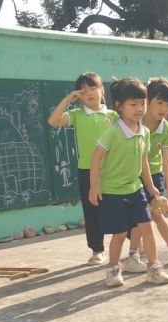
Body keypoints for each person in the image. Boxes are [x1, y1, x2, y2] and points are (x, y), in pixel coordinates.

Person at [89, 77, 168, 287]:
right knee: (120, 233)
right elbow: (96, 157)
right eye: (133, 104)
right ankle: (114, 270)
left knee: (146, 227)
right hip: (112, 191)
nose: (139, 109)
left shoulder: (144, 132)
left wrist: (151, 187)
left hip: (135, 190)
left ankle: (154, 268)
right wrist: (94, 186)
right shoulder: (113, 131)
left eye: (142, 103)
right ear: (119, 106)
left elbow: (143, 160)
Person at [48, 72, 116, 265]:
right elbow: (53, 121)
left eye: (93, 88)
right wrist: (68, 100)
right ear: (79, 96)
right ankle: (97, 250)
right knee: (92, 211)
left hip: (113, 170)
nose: (90, 93)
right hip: (87, 170)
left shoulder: (114, 116)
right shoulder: (77, 115)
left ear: (102, 90)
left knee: (119, 207)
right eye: (84, 91)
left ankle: (135, 245)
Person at [125, 77, 168, 268]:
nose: (164, 109)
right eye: (159, 102)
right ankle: (133, 256)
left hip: (155, 174)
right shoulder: (133, 122)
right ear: (147, 100)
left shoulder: (167, 129)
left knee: (155, 214)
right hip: (133, 174)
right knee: (139, 217)